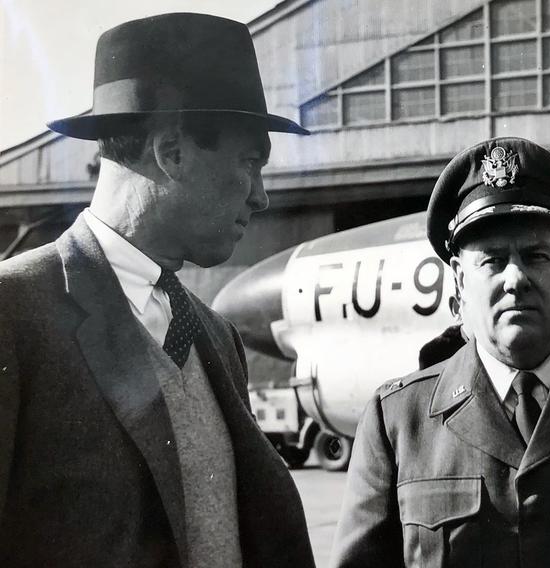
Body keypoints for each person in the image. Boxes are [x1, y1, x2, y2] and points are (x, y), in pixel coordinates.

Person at [0, 14, 315, 568]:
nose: (261, 197)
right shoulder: (13, 313)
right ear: (172, 152)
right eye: (250, 164)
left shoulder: (214, 333)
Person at [332, 137, 550, 568]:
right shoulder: (397, 421)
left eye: (537, 256)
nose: (515, 277)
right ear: (460, 281)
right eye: (494, 260)